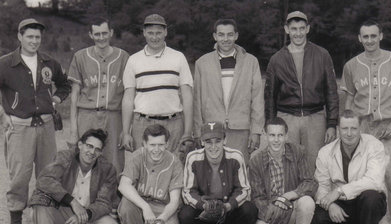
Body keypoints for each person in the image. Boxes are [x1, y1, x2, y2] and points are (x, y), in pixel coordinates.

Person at [0, 18, 70, 224]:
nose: (34, 41)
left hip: (47, 126)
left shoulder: (49, 62)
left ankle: (45, 223)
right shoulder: (6, 63)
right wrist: (4, 114)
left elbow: (64, 84)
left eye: (37, 37)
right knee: (19, 177)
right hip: (20, 126)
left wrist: (57, 98)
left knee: (48, 176)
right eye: (29, 36)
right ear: (20, 37)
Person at [341, 20, 391, 224]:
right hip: (363, 125)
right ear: (359, 38)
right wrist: (349, 128)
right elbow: (349, 100)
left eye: (373, 36)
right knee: (362, 179)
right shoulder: (351, 65)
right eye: (365, 37)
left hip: (390, 125)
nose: (369, 40)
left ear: (381, 36)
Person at [29, 129, 120, 224]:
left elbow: (104, 203)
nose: (91, 152)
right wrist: (72, 202)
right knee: (40, 203)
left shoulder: (107, 170)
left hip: (87, 215)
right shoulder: (65, 157)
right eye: (89, 146)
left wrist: (84, 215)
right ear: (80, 145)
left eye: (97, 149)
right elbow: (45, 180)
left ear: (101, 153)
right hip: (62, 211)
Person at [311, 110, 387, 224]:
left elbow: (375, 181)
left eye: (354, 128)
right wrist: (330, 205)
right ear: (338, 129)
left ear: (361, 128)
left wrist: (339, 191)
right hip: (342, 205)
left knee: (372, 197)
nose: (349, 133)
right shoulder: (325, 152)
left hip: (365, 203)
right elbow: (322, 186)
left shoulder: (374, 146)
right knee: (316, 218)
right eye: (345, 129)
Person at [264, 11, 338, 171]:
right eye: (294, 28)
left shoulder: (322, 55)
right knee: (288, 163)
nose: (298, 33)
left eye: (301, 28)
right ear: (286, 29)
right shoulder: (277, 59)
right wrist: (270, 124)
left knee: (316, 164)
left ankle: (314, 196)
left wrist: (332, 123)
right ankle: (290, 196)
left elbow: (331, 91)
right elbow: (270, 96)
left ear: (308, 29)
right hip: (287, 117)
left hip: (315, 117)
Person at [179, 122, 258, 224]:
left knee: (250, 210)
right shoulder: (193, 158)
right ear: (202, 142)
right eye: (208, 142)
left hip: (228, 209)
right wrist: (203, 205)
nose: (213, 146)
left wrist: (228, 206)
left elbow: (244, 189)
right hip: (204, 210)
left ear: (225, 140)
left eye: (218, 141)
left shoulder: (236, 156)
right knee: (184, 215)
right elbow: (187, 191)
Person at [193, 19, 264, 163]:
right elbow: (197, 100)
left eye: (230, 34)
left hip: (240, 128)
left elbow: (257, 99)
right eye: (221, 35)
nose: (225, 39)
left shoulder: (251, 62)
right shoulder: (202, 63)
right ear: (215, 36)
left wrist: (256, 130)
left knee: (239, 170)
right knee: (212, 172)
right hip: (212, 128)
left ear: (236, 36)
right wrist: (197, 131)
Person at [121, 14, 193, 154]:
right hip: (142, 123)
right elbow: (128, 98)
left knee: (174, 167)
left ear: (166, 32)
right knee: (143, 168)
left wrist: (188, 131)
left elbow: (187, 96)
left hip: (173, 124)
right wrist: (125, 132)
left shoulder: (178, 57)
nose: (155, 37)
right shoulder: (133, 60)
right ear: (144, 33)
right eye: (150, 33)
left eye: (159, 33)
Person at [249, 117, 317, 224]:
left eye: (280, 135)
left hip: (292, 205)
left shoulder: (298, 152)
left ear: (286, 136)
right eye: (272, 135)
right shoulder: (256, 160)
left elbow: (310, 182)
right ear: (265, 135)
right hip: (273, 209)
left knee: (307, 203)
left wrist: (290, 195)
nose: (276, 140)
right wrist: (270, 211)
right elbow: (258, 196)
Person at [68, 16, 129, 176]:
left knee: (114, 162)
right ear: (90, 35)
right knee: (85, 159)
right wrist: (74, 130)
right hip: (87, 115)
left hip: (113, 116)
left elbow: (129, 94)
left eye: (104, 33)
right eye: (97, 34)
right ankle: (84, 199)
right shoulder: (80, 57)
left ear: (111, 32)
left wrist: (126, 128)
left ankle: (113, 199)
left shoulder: (123, 57)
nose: (101, 37)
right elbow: (74, 96)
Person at [118, 124, 184, 224]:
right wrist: (145, 207)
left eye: (161, 145)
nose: (156, 149)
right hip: (141, 205)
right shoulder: (137, 156)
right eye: (152, 145)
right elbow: (123, 185)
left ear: (167, 143)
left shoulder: (174, 162)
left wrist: (162, 219)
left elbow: (174, 201)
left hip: (162, 207)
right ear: (144, 143)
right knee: (126, 204)